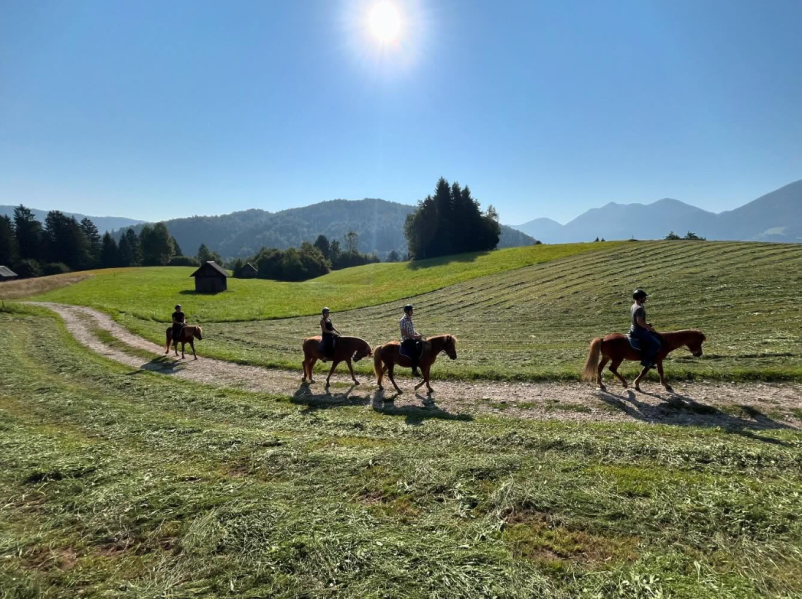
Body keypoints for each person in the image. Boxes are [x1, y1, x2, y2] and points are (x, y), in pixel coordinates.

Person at [630, 289, 661, 368]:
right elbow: (639, 321)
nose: (645, 299)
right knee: (656, 344)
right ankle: (646, 361)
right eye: (644, 297)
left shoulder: (634, 306)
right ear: (639, 298)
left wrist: (646, 324)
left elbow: (636, 320)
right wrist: (649, 328)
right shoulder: (639, 308)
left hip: (633, 328)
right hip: (639, 330)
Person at [400, 304, 423, 376]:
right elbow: (404, 333)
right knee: (415, 351)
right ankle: (414, 370)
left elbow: (412, 330)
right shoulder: (403, 320)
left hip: (413, 338)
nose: (412, 311)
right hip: (407, 340)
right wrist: (415, 337)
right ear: (407, 311)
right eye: (411, 310)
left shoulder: (409, 318)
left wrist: (418, 335)